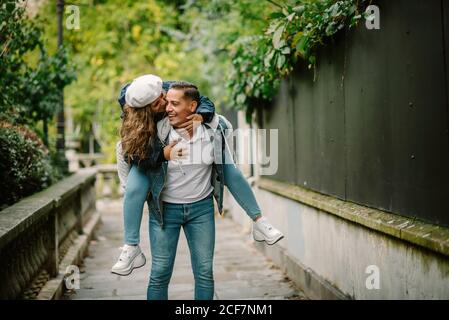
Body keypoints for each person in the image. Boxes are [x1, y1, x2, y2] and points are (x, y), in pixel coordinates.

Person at [112, 77, 284, 280]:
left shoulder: (169, 89)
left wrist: (199, 117)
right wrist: (162, 155)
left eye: (166, 99)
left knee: (230, 169)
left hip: (198, 201)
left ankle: (259, 220)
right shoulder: (131, 107)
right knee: (134, 186)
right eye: (160, 104)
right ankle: (131, 246)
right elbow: (131, 153)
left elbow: (203, 101)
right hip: (143, 151)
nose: (166, 105)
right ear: (144, 108)